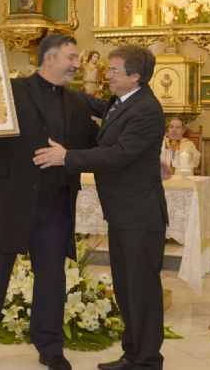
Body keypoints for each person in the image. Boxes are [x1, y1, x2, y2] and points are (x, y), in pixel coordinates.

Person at [0, 33, 99, 370]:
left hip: (55, 206)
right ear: (50, 58)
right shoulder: (9, 90)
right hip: (9, 202)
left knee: (52, 280)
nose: (76, 64)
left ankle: (50, 347)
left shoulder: (76, 103)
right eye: (71, 57)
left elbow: (95, 143)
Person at [33, 45, 168, 370]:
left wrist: (67, 157)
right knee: (125, 288)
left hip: (140, 215)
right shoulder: (123, 101)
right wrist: (54, 86)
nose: (106, 74)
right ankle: (132, 355)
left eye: (114, 70)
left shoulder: (147, 109)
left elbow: (117, 155)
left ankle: (148, 361)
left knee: (142, 292)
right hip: (123, 214)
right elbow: (90, 104)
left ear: (135, 76)